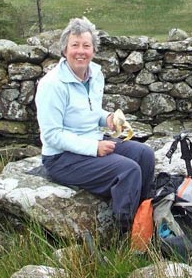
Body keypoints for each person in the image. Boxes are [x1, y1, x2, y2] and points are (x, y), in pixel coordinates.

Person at [35, 17, 155, 233]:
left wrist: (107, 118)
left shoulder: (94, 75)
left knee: (144, 155)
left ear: (94, 50)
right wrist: (93, 148)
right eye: (75, 45)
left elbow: (89, 111)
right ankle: (125, 235)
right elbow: (52, 135)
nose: (81, 51)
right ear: (64, 49)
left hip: (92, 141)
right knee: (128, 170)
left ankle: (143, 219)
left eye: (86, 46)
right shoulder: (52, 85)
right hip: (62, 158)